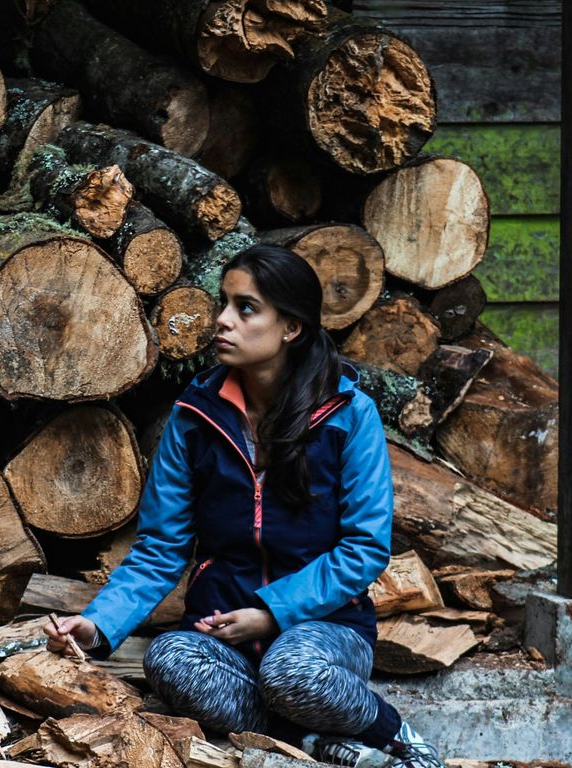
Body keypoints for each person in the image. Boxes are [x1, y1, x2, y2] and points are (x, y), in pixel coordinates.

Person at [42, 245, 444, 768]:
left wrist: (272, 614)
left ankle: (397, 739)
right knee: (169, 659)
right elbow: (161, 547)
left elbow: (365, 549)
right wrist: (97, 625)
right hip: (219, 628)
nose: (222, 321)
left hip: (326, 632)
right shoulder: (194, 416)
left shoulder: (350, 414)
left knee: (290, 673)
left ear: (291, 328)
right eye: (223, 304)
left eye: (245, 308)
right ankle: (312, 742)